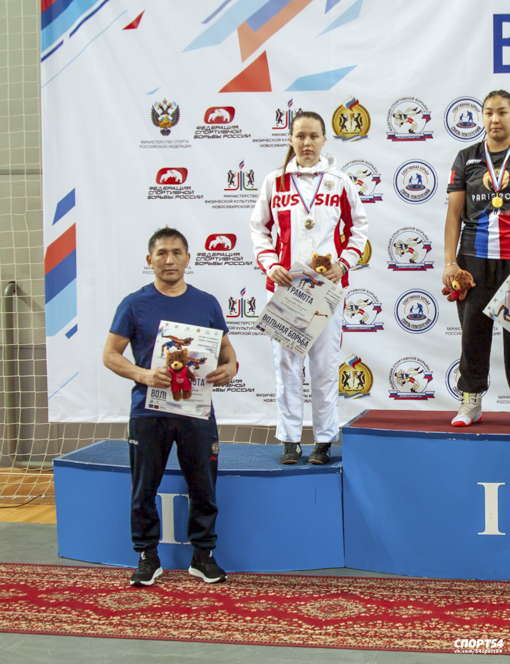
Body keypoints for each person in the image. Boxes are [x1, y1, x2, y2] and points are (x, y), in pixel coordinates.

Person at [102, 228, 237, 587]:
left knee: (203, 486)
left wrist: (230, 369)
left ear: (188, 258)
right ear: (150, 260)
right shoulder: (134, 304)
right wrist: (144, 374)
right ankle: (147, 555)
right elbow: (110, 355)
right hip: (148, 413)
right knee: (144, 488)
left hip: (197, 411)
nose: (169, 259)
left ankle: (203, 556)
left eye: (177, 252)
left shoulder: (207, 303)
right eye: (161, 253)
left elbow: (228, 354)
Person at [250, 111, 368, 465]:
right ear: (290, 139)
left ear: (324, 140)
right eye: (300, 136)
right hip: (286, 287)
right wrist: (271, 264)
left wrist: (343, 264)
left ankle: (324, 440)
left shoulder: (339, 182)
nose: (306, 143)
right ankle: (289, 439)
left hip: (325, 290)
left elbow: (359, 227)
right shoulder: (275, 182)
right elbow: (258, 228)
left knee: (324, 366)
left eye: (313, 136)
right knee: (286, 366)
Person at [443, 90, 510, 428]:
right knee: (473, 334)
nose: (494, 119)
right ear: (482, 117)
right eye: (488, 112)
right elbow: (454, 214)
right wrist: (449, 262)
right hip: (473, 261)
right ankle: (470, 400)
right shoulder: (466, 158)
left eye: (502, 112)